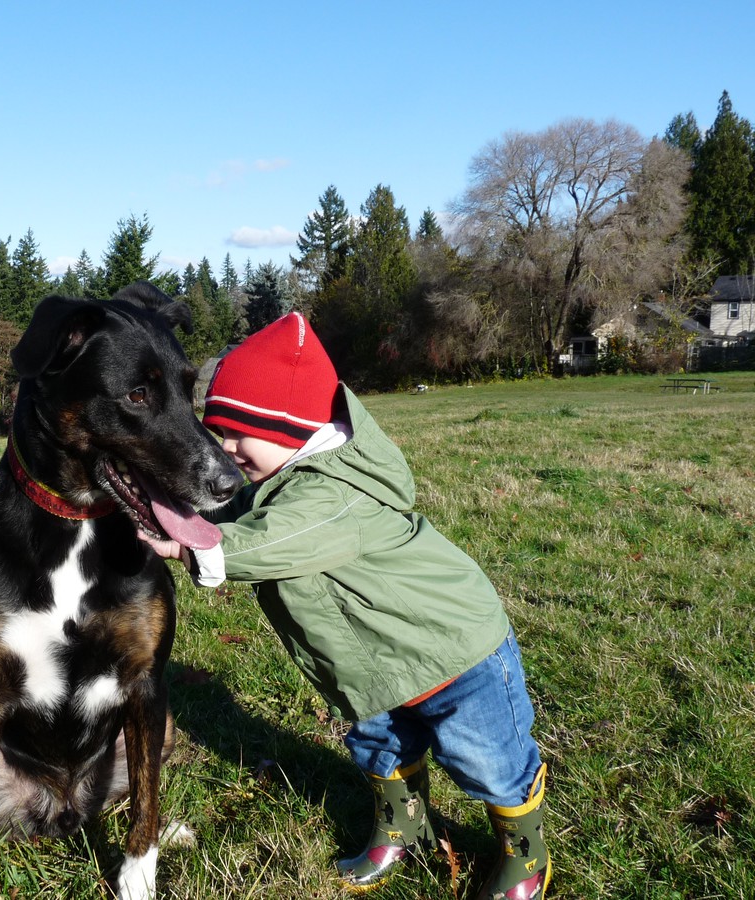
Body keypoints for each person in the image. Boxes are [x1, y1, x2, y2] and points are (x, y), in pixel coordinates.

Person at [138, 312, 550, 899]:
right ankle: (402, 826)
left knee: (488, 762)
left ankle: (525, 855)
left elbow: (277, 538)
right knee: (380, 745)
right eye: (218, 431)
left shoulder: (336, 493)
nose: (224, 448)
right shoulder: (279, 478)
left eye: (238, 433)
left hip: (456, 656)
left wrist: (191, 545)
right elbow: (235, 513)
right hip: (374, 666)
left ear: (290, 428)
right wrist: (173, 510)